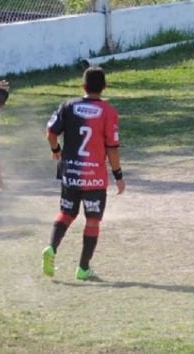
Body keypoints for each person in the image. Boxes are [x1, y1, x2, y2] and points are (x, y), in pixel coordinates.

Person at [42, 66, 125, 280]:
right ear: (104, 86)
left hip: (70, 172)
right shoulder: (109, 112)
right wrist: (118, 175)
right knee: (92, 220)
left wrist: (56, 151)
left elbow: (51, 132)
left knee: (67, 213)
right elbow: (112, 148)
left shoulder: (68, 106)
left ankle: (51, 247)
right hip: (94, 177)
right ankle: (83, 268)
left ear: (83, 86)